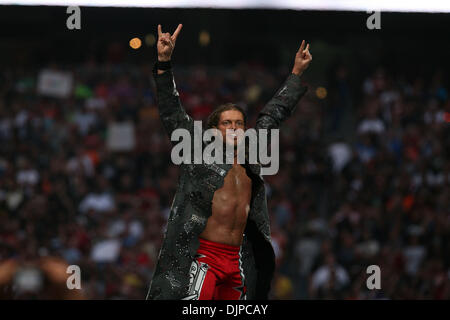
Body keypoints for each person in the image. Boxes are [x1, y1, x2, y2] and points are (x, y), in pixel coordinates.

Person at [146, 24, 312, 300]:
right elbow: (171, 112)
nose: (235, 128)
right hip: (204, 257)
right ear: (214, 130)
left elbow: (273, 115)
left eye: (239, 123)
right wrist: (164, 63)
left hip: (237, 260)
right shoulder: (198, 150)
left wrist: (296, 74)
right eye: (227, 123)